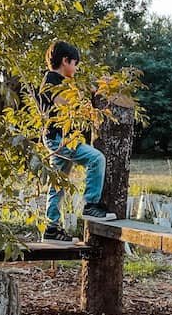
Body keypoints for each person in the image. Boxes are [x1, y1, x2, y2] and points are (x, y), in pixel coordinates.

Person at [39, 39, 116, 241]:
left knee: (58, 183)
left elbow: (83, 94)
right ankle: (91, 205)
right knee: (96, 159)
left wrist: (101, 87)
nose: (76, 68)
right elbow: (63, 102)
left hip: (62, 140)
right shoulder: (51, 80)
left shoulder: (66, 83)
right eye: (75, 63)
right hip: (60, 140)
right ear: (65, 61)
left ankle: (51, 229)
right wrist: (84, 97)